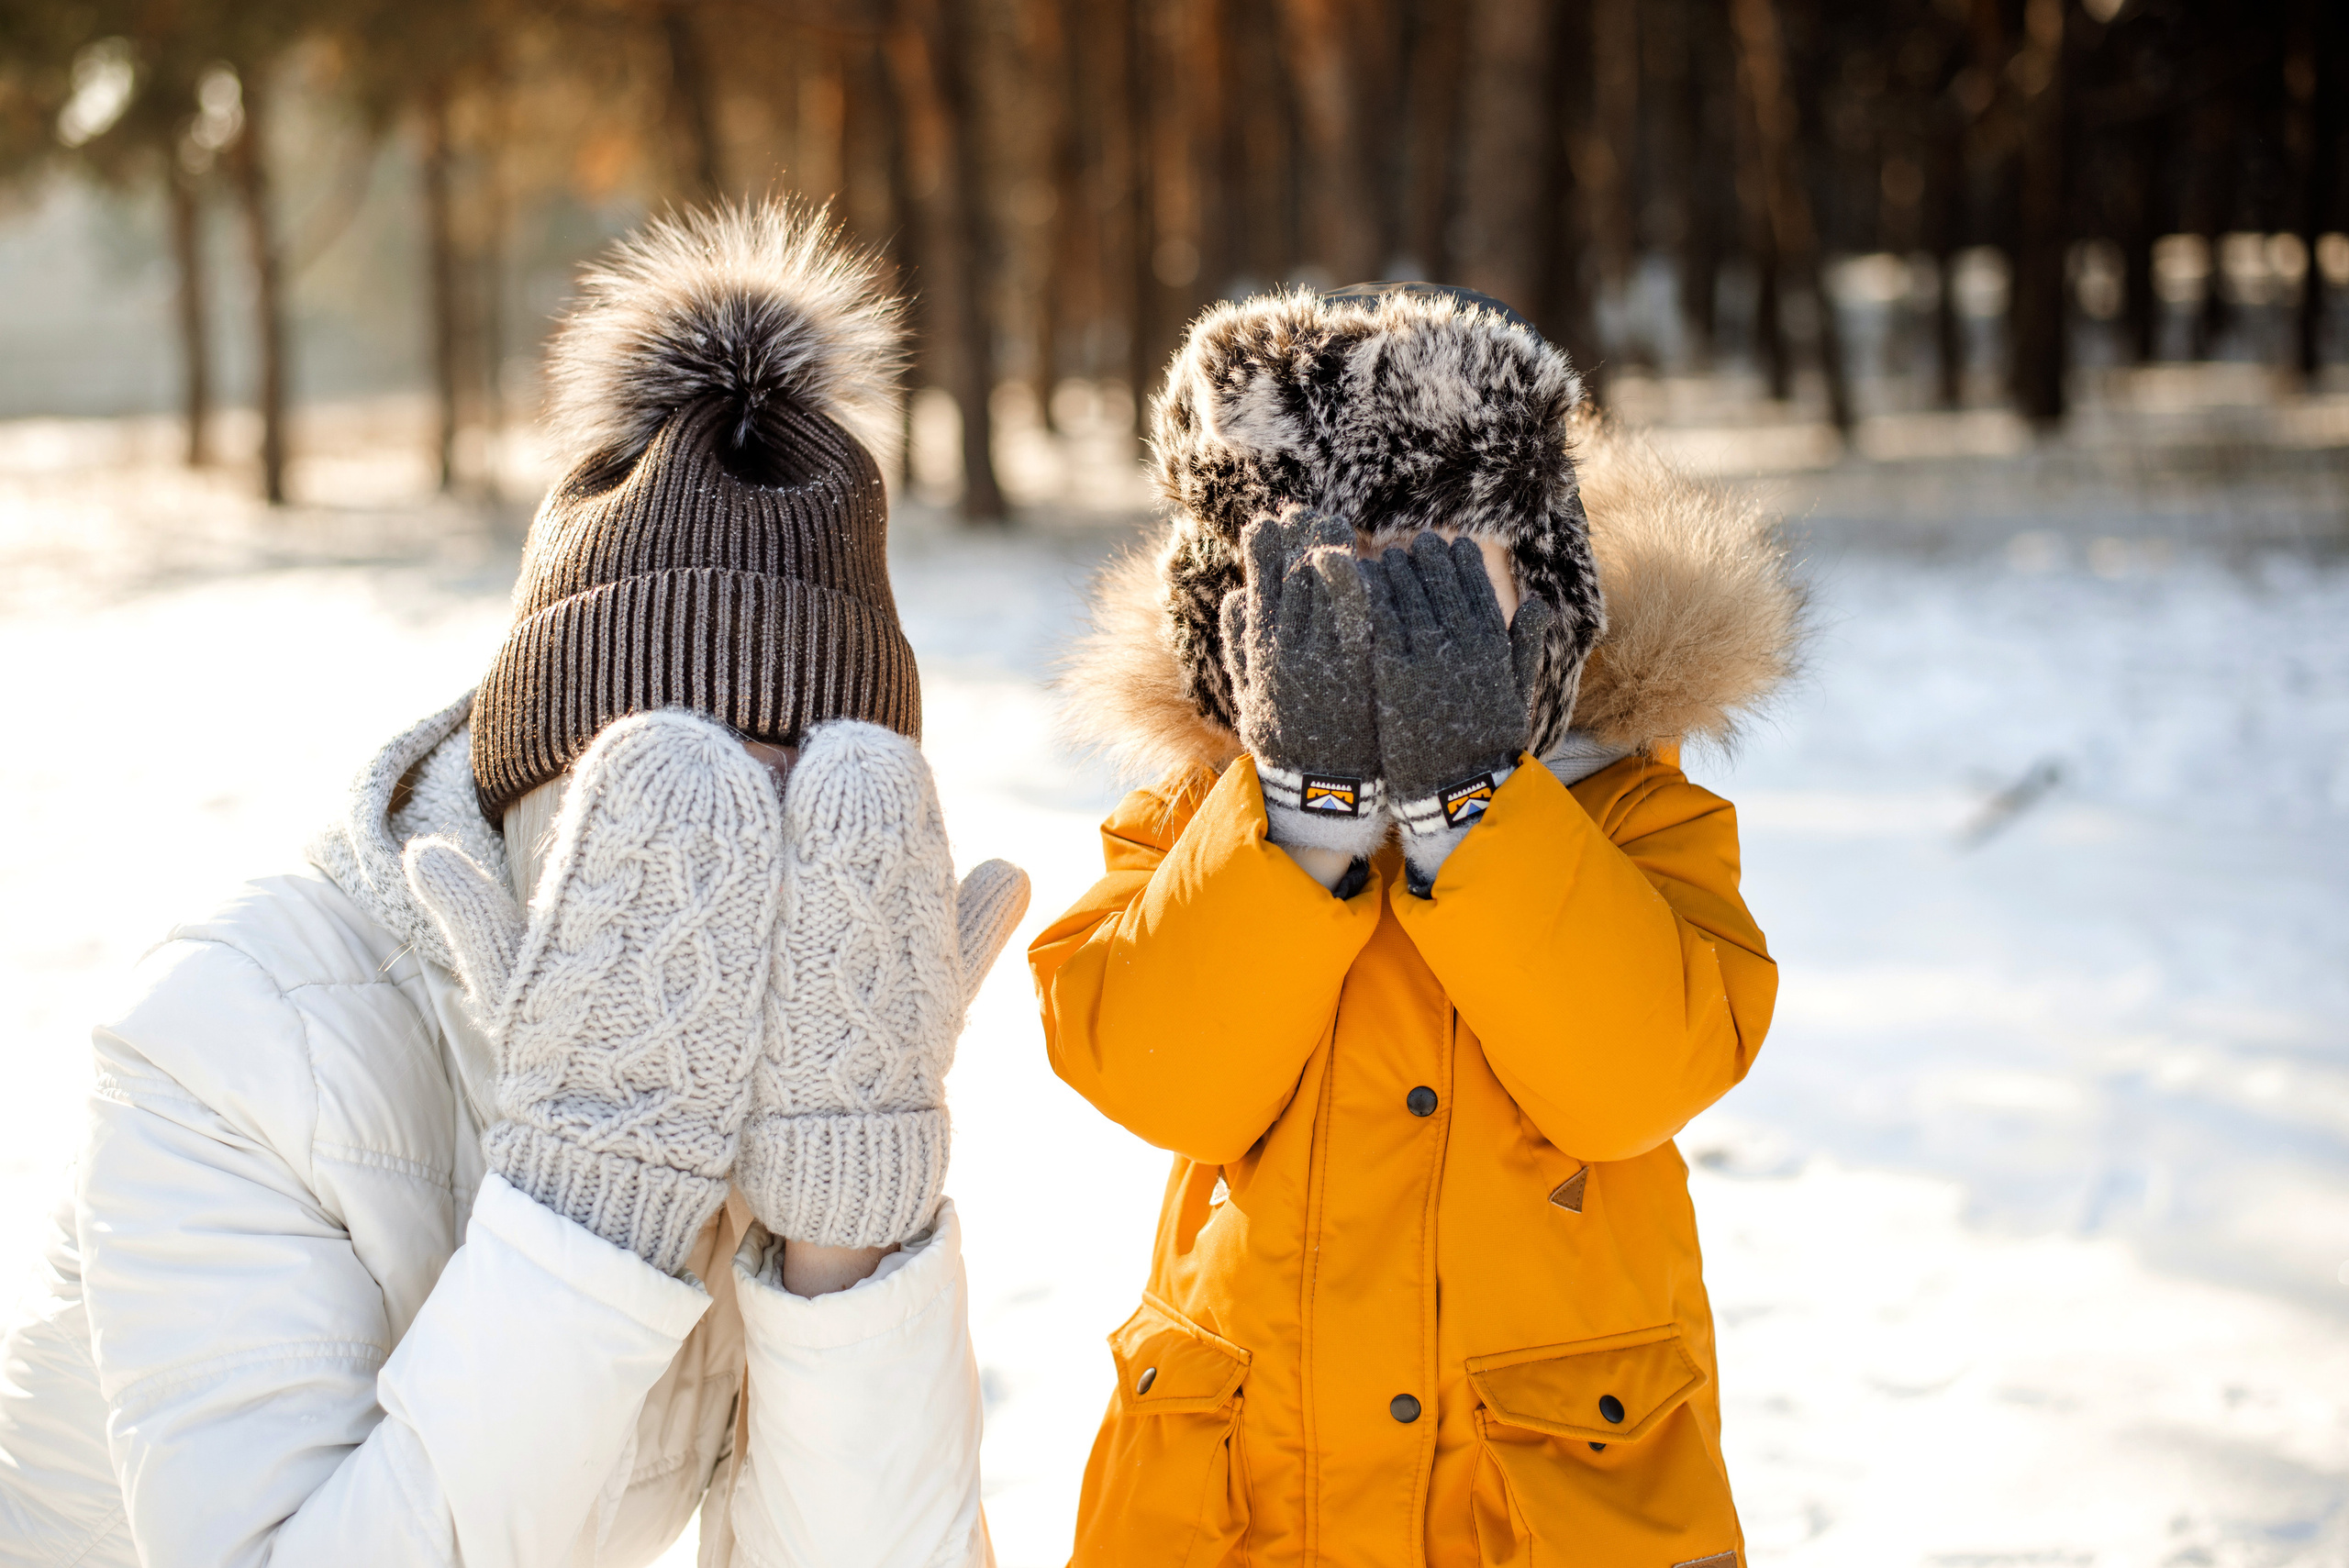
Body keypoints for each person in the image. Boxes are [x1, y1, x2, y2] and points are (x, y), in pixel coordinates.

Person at [0, 200, 1027, 1568]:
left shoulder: (805, 1066)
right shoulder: (232, 1042)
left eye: (801, 782)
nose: (734, 850)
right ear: (535, 776)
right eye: (669, 776)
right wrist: (591, 1194)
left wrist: (851, 1240)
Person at [1031, 282, 1803, 1567]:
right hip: (1246, 1506)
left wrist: (1480, 805)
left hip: (1548, 1505)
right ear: (1232, 602)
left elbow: (1635, 1078)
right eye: (1322, 578)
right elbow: (1157, 1071)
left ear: (1541, 582)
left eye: (1443, 577)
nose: (1385, 625)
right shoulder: (1187, 815)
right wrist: (1294, 818)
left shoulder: (1630, 806)